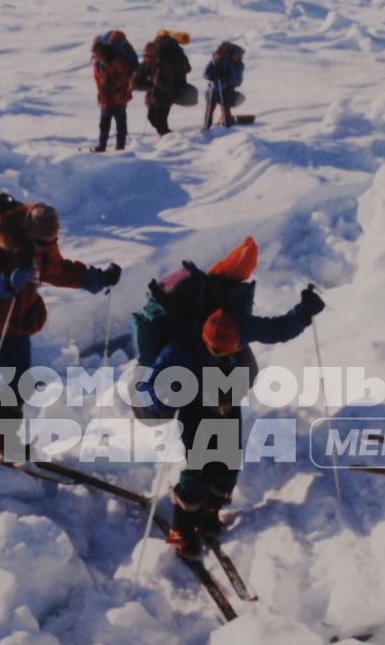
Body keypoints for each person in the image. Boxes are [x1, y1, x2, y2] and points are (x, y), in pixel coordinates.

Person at [134, 237, 324, 556]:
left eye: (231, 348)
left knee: (227, 460)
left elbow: (276, 329)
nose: (226, 352)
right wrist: (162, 400)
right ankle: (183, 529)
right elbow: (152, 386)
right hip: (195, 402)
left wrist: (303, 313)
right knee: (199, 465)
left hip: (225, 394)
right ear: (205, 336)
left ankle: (209, 514)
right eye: (218, 349)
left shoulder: (237, 325)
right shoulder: (181, 347)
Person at [0, 203, 122, 459]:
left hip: (18, 324)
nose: (46, 246)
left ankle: (7, 441)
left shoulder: (44, 246)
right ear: (27, 231)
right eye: (41, 241)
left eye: (51, 241)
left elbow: (59, 270)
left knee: (15, 383)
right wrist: (4, 283)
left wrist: (97, 278)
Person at [136, 29, 191, 136]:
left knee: (159, 121)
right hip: (161, 93)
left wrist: (157, 83)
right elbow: (187, 68)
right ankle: (168, 138)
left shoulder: (162, 61)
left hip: (164, 94)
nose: (146, 56)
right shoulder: (155, 58)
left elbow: (166, 80)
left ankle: (170, 141)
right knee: (156, 119)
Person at [91, 30, 136, 152]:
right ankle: (102, 145)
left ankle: (120, 146)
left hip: (119, 97)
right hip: (106, 98)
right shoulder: (97, 64)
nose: (94, 57)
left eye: (96, 55)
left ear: (102, 53)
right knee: (104, 123)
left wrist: (112, 84)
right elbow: (98, 81)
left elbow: (126, 77)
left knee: (120, 122)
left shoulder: (117, 62)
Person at [201, 41, 245, 131]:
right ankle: (207, 126)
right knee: (210, 108)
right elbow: (206, 74)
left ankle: (227, 125)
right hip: (213, 89)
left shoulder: (231, 64)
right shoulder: (215, 61)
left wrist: (225, 81)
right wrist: (213, 76)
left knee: (225, 108)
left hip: (226, 90)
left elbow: (234, 79)